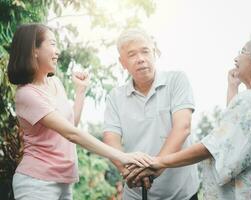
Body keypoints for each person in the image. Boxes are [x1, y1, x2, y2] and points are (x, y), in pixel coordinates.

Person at [7, 24, 153, 200]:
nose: (57, 51)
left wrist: (80, 92)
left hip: (63, 180)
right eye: (52, 44)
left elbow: (69, 126)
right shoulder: (27, 94)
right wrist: (123, 157)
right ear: (34, 50)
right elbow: (72, 134)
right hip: (37, 183)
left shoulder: (55, 84)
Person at [148, 33, 251, 200]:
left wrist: (161, 162)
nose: (236, 58)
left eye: (243, 51)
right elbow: (237, 134)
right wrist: (233, 87)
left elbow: (214, 146)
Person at [103, 28, 200, 200]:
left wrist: (155, 167)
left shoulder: (176, 80)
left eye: (145, 51)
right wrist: (128, 172)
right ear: (122, 62)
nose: (140, 59)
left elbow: (183, 127)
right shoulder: (115, 96)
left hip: (181, 193)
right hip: (135, 192)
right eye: (132, 54)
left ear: (154, 53)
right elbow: (111, 140)